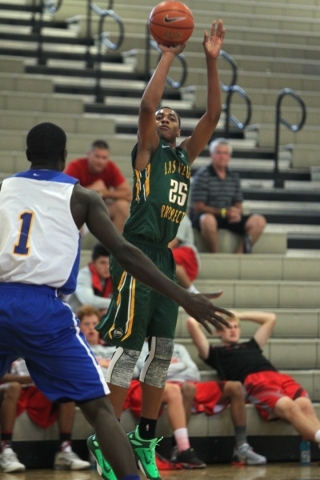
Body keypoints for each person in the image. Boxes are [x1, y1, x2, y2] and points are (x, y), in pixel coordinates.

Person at [0, 122, 230, 480]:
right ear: (64, 158)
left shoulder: (4, 189)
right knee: (100, 411)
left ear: (28, 155)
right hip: (44, 309)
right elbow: (125, 252)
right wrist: (185, 296)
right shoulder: (81, 197)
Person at [93, 18, 227, 480]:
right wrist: (168, 53)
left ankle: (144, 438)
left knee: (163, 353)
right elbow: (147, 106)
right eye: (162, 115)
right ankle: (103, 435)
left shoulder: (185, 158)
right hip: (136, 253)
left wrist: (210, 61)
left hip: (164, 258)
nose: (165, 115)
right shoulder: (147, 151)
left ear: (180, 128)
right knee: (128, 353)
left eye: (173, 115)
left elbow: (212, 116)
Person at [187, 311, 320, 449]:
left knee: (305, 405)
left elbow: (270, 318)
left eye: (236, 327)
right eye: (227, 327)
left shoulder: (251, 345)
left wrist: (238, 315)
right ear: (218, 332)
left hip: (278, 377)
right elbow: (191, 323)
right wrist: (213, 316)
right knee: (289, 406)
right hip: (255, 382)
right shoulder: (215, 353)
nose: (233, 330)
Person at [134, 341, 266, 468]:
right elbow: (145, 373)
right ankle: (178, 449)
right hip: (166, 387)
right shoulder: (142, 348)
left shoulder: (178, 348)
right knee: (187, 389)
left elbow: (194, 373)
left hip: (190, 383)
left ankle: (241, 447)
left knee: (235, 387)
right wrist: (181, 367)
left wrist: (168, 369)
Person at [0, 359, 90, 472]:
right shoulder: (7, 343)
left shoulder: (42, 344)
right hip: (10, 387)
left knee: (66, 387)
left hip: (38, 388)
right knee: (14, 387)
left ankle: (65, 449)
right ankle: (5, 449)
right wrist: (33, 378)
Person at [189, 138, 267, 253]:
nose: (222, 156)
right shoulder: (202, 175)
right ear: (211, 155)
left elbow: (238, 203)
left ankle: (238, 257)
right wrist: (224, 212)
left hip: (228, 216)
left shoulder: (234, 177)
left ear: (229, 157)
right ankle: (215, 255)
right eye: (218, 152)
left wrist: (235, 213)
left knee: (259, 221)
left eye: (225, 153)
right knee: (207, 220)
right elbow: (198, 207)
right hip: (207, 216)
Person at [64, 139, 132, 232]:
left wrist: (105, 193)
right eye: (97, 156)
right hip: (79, 211)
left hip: (99, 211)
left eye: (104, 158)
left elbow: (127, 194)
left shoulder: (110, 167)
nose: (100, 161)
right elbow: (65, 193)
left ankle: (114, 245)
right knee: (73, 213)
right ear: (89, 154)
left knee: (122, 205)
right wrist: (90, 189)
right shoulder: (76, 166)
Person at [68, 243, 113, 315]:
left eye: (110, 263)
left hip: (94, 318)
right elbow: (89, 301)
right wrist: (118, 303)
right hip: (76, 318)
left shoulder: (113, 276)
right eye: (102, 263)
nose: (107, 267)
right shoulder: (83, 275)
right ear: (93, 263)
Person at [168, 214, 200, 294]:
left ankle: (191, 291)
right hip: (173, 251)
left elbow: (172, 243)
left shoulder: (180, 216)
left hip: (187, 253)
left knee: (165, 257)